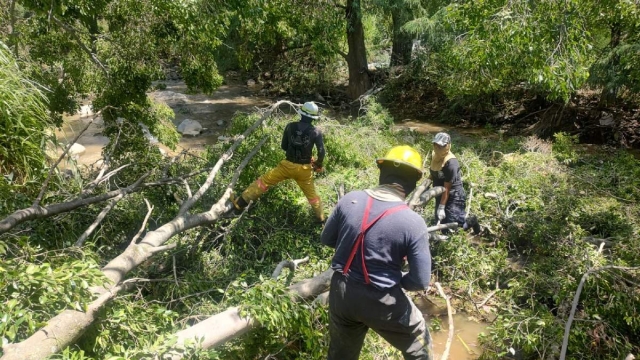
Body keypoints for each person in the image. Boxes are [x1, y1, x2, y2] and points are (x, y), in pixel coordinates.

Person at [321, 145, 433, 360]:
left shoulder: (349, 200)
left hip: (341, 293)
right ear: (413, 182)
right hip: (382, 300)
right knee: (420, 345)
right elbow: (420, 281)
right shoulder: (412, 222)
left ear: (382, 172)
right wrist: (400, 280)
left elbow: (327, 239)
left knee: (341, 355)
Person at [229, 101, 326, 222]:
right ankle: (321, 219)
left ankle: (238, 205)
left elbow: (284, 146)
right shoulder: (316, 131)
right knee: (313, 197)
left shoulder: (290, 126)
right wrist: (318, 164)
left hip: (286, 166)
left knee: (262, 183)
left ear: (301, 114)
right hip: (304, 170)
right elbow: (321, 152)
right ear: (313, 118)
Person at [429, 132, 480, 234]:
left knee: (455, 226)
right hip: (440, 193)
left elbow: (447, 188)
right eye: (436, 145)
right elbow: (433, 172)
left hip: (453, 194)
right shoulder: (434, 156)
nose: (438, 148)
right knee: (442, 225)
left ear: (448, 146)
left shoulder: (451, 163)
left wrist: (442, 207)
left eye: (441, 146)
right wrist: (425, 186)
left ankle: (471, 222)